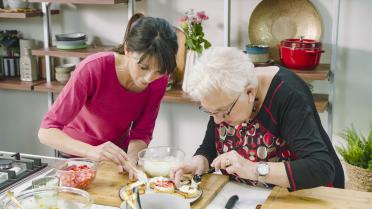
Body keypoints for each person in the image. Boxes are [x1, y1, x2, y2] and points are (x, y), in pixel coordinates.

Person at [170, 47, 344, 191]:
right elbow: (210, 147)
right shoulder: (224, 97)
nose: (217, 121)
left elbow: (321, 168)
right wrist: (199, 161)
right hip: (253, 196)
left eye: (223, 112)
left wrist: (253, 169)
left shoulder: (288, 95)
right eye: (210, 112)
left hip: (308, 196)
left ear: (250, 92)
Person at [38, 13, 178, 180]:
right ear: (127, 49)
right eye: (143, 67)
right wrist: (91, 151)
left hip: (116, 159)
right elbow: (46, 132)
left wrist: (131, 161)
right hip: (76, 157)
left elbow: (142, 133)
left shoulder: (158, 81)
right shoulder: (93, 69)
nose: (148, 78)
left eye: (159, 71)